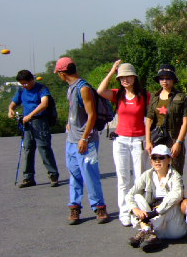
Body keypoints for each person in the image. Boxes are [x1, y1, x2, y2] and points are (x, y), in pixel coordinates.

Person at [54, 56, 108, 225]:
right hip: (71, 139)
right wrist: (69, 124)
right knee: (74, 175)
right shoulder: (71, 88)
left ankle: (99, 207)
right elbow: (74, 111)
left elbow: (92, 115)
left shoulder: (83, 88)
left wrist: (84, 138)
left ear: (62, 73)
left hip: (86, 140)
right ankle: (74, 206)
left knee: (90, 175)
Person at [97, 60, 150, 226]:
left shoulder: (144, 95)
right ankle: (125, 212)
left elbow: (151, 117)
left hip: (139, 140)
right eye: (121, 77)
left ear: (134, 77)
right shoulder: (118, 95)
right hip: (121, 140)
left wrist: (149, 140)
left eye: (128, 76)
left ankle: (140, 212)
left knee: (139, 178)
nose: (125, 80)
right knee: (123, 178)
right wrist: (112, 70)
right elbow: (100, 91)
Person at [126, 145, 187, 252]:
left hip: (173, 229)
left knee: (172, 203)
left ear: (169, 160)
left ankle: (147, 231)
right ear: (151, 161)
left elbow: (176, 195)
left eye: (161, 157)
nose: (157, 161)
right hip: (156, 222)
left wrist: (156, 211)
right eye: (154, 157)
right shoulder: (147, 175)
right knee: (136, 197)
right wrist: (135, 209)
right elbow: (129, 194)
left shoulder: (175, 176)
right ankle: (148, 232)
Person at [8, 69, 59, 188]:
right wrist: (11, 109)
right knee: (28, 149)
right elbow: (14, 103)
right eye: (22, 84)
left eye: (26, 83)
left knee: (44, 148)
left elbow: (44, 104)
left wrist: (31, 115)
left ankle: (53, 175)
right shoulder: (21, 90)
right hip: (27, 123)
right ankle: (28, 177)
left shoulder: (42, 89)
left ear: (32, 80)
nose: (24, 86)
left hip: (40, 121)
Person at [145, 64, 187, 175]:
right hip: (157, 138)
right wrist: (148, 141)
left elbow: (185, 122)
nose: (164, 81)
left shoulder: (180, 97)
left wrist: (179, 142)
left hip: (174, 138)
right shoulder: (154, 97)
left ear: (173, 79)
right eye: (161, 78)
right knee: (159, 171)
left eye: (168, 78)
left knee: (175, 172)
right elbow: (149, 120)